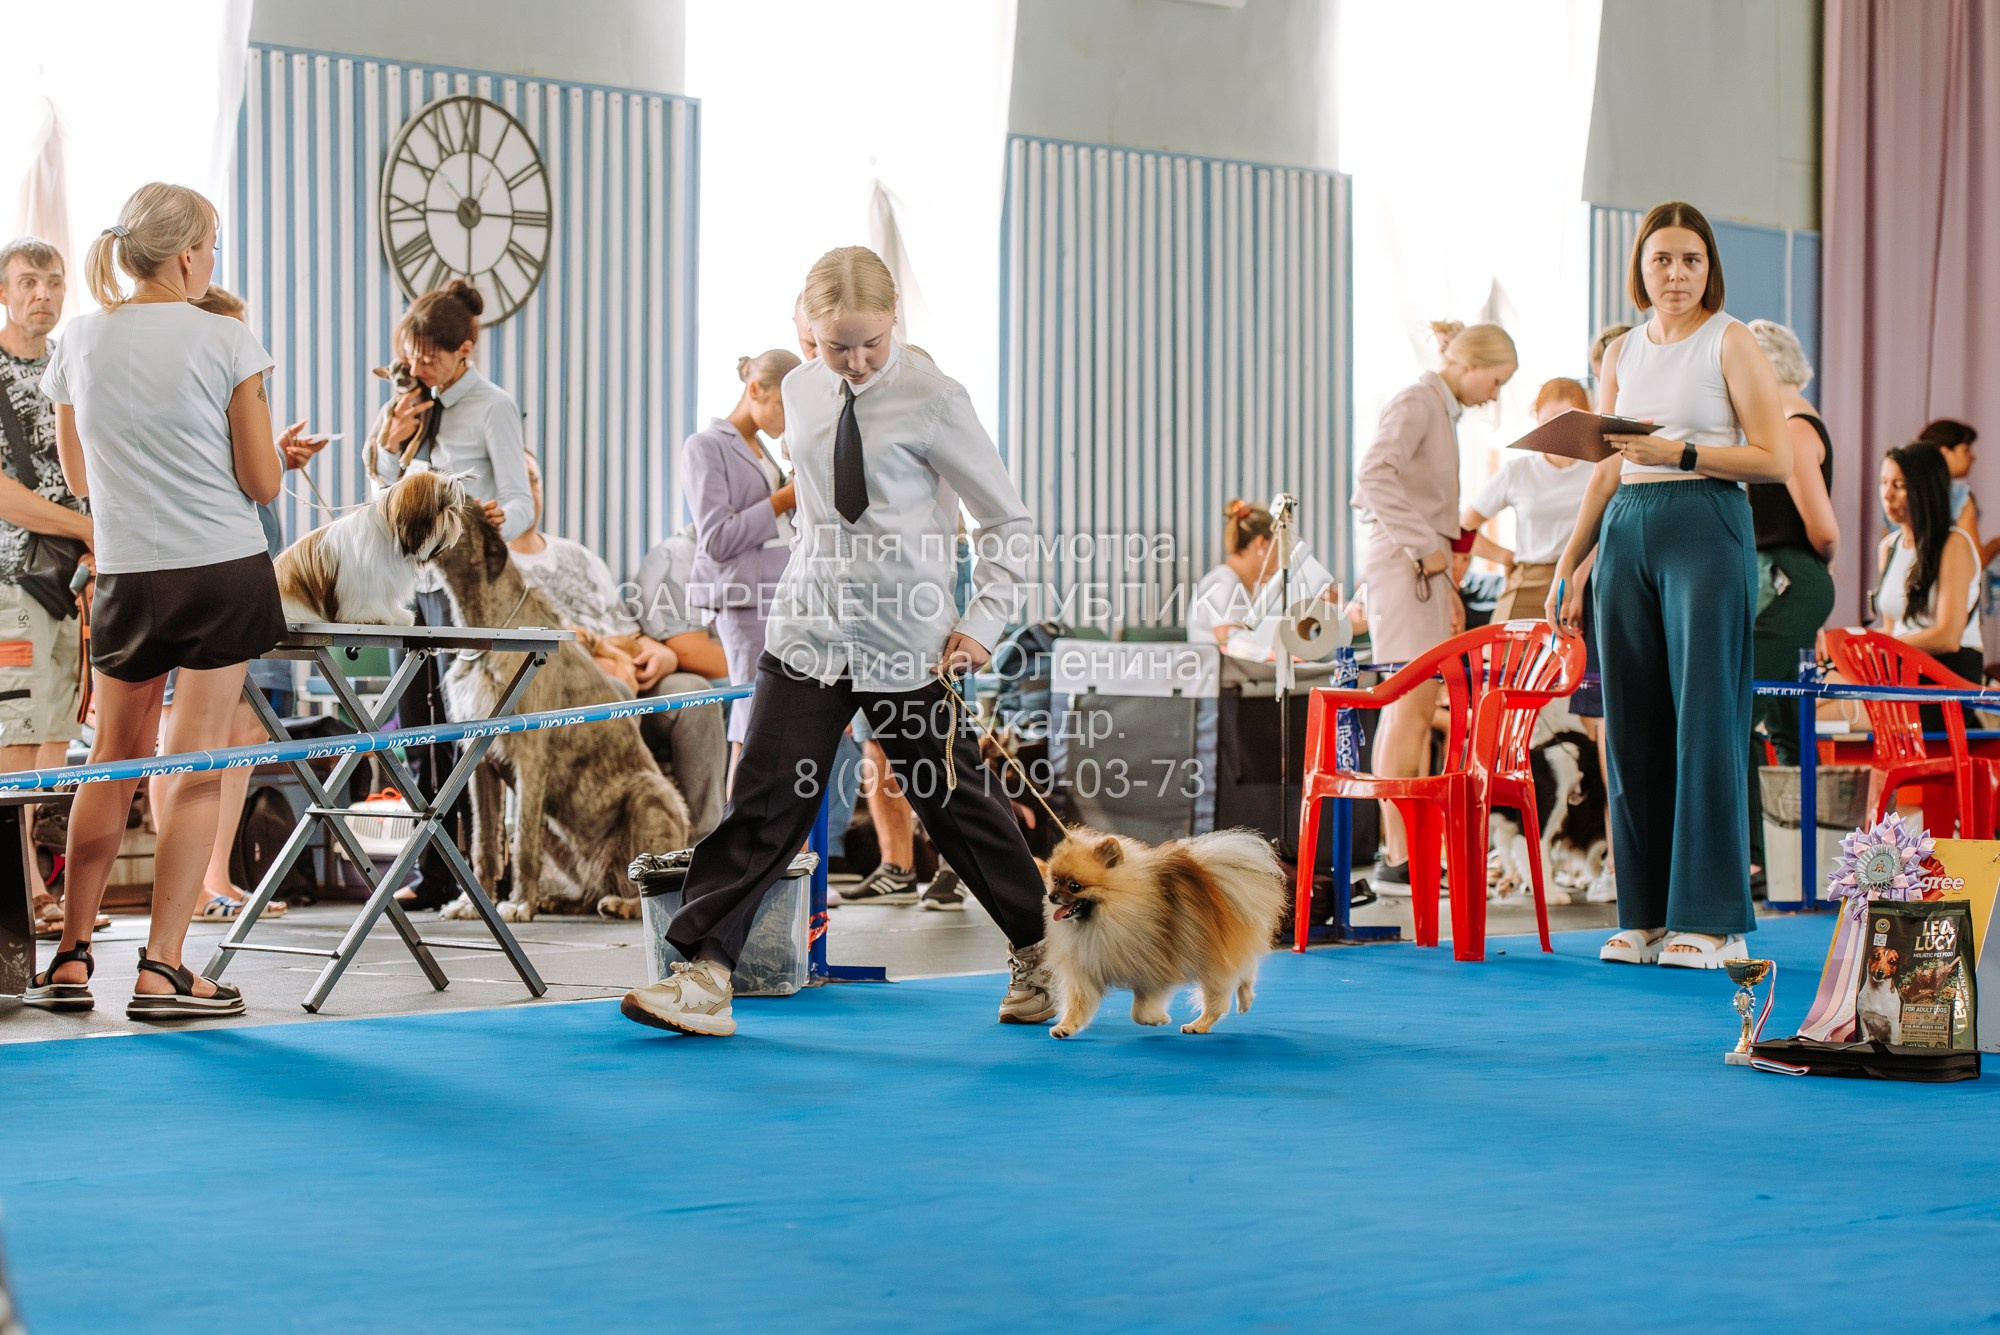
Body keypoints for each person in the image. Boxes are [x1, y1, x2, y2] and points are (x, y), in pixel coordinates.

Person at [620, 246, 1050, 1037]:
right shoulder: (801, 390)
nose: (851, 360)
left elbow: (1009, 523)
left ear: (895, 322)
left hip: (907, 636)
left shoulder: (935, 398)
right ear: (804, 328)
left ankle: (1038, 949)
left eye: (869, 342)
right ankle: (705, 976)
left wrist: (983, 623)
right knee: (765, 799)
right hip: (810, 627)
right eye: (833, 343)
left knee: (951, 801)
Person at [27, 182, 291, 1018]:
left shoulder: (76, 339)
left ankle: (70, 958)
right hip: (220, 566)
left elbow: (76, 480)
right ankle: (164, 968)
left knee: (113, 758)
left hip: (128, 576)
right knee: (198, 758)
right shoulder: (227, 336)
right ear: (187, 254)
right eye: (211, 244)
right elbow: (259, 479)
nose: (213, 259)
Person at [1549, 200, 1791, 970]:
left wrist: (1683, 451)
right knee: (1633, 725)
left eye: (1691, 259)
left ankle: (1713, 918)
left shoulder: (1733, 340)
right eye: (1663, 260)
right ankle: (1646, 914)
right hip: (1628, 526)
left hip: (1705, 523)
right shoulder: (1620, 352)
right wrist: (1571, 559)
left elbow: (1775, 459)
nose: (1677, 273)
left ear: (1709, 266)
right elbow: (1609, 467)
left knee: (1706, 722)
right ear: (1640, 269)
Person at [368, 280, 533, 911]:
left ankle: (473, 875)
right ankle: (432, 873)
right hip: (415, 584)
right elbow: (389, 491)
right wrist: (388, 444)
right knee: (418, 733)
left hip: (468, 593)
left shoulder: (492, 406)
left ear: (465, 350)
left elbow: (521, 502)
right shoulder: (412, 402)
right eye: (411, 352)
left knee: (464, 738)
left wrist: (499, 519)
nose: (418, 365)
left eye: (431, 354)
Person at [166, 283, 326, 921]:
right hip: (209, 583)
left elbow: (252, 476)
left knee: (244, 732)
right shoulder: (190, 403)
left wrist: (277, 456)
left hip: (254, 578)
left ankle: (221, 874)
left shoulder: (233, 399)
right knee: (190, 737)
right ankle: (198, 884)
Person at [1351, 322, 1517, 888]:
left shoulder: (1439, 410)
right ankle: (1399, 855)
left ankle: (1404, 851)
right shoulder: (1419, 401)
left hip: (1422, 566)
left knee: (1414, 713)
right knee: (1410, 707)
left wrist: (1439, 563)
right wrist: (1426, 550)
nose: (1495, 394)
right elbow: (1372, 476)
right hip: (1406, 564)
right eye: (1497, 380)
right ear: (1471, 366)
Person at [510, 450, 726, 839]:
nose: (529, 490)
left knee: (696, 694)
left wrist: (661, 653)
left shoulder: (577, 555)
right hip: (562, 689)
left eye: (535, 479)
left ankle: (702, 846)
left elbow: (627, 628)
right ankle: (624, 845)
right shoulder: (496, 567)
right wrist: (599, 660)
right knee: (616, 691)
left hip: (623, 664)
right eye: (517, 479)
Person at [0, 238, 94, 937]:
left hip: (75, 580)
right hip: (12, 579)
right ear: (4, 292)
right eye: (29, 281)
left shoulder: (75, 365)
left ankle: (40, 880)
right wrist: (86, 528)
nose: (44, 294)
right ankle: (23, 893)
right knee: (15, 733)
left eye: (54, 282)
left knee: (56, 729)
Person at [1743, 320, 1839, 877]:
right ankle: (1803, 859)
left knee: (1741, 715)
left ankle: (1758, 858)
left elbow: (1823, 530)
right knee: (1785, 725)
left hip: (1790, 578)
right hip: (1781, 577)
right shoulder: (1776, 425)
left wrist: (1816, 572)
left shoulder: (1795, 427)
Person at [682, 350, 801, 771]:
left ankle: (765, 832)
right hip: (745, 599)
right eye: (785, 406)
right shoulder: (705, 447)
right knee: (751, 723)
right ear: (754, 390)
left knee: (771, 723)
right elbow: (716, 539)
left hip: (778, 595)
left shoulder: (761, 450)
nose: (789, 419)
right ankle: (742, 833)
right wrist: (782, 498)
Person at [1461, 378, 1595, 623]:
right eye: (1548, 421)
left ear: (1586, 419)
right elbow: (1463, 526)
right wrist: (1504, 557)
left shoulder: (1600, 472)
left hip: (1587, 581)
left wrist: (1579, 580)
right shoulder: (1517, 471)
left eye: (1567, 420)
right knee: (1503, 656)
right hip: (1529, 578)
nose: (1557, 430)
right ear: (1537, 420)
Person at [1874, 442, 1984, 732]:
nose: (1887, 495)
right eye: (1883, 483)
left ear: (1924, 489)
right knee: (1812, 692)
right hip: (1899, 670)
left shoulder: (1954, 544)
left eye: (1899, 485)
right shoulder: (1889, 547)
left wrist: (1876, 648)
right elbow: (1891, 628)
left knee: (1810, 708)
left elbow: (1948, 636)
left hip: (1946, 674)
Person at [1186, 499, 1337, 649]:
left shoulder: (1242, 585)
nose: (1281, 556)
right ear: (1262, 544)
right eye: (1280, 546)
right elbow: (1230, 644)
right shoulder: (1223, 583)